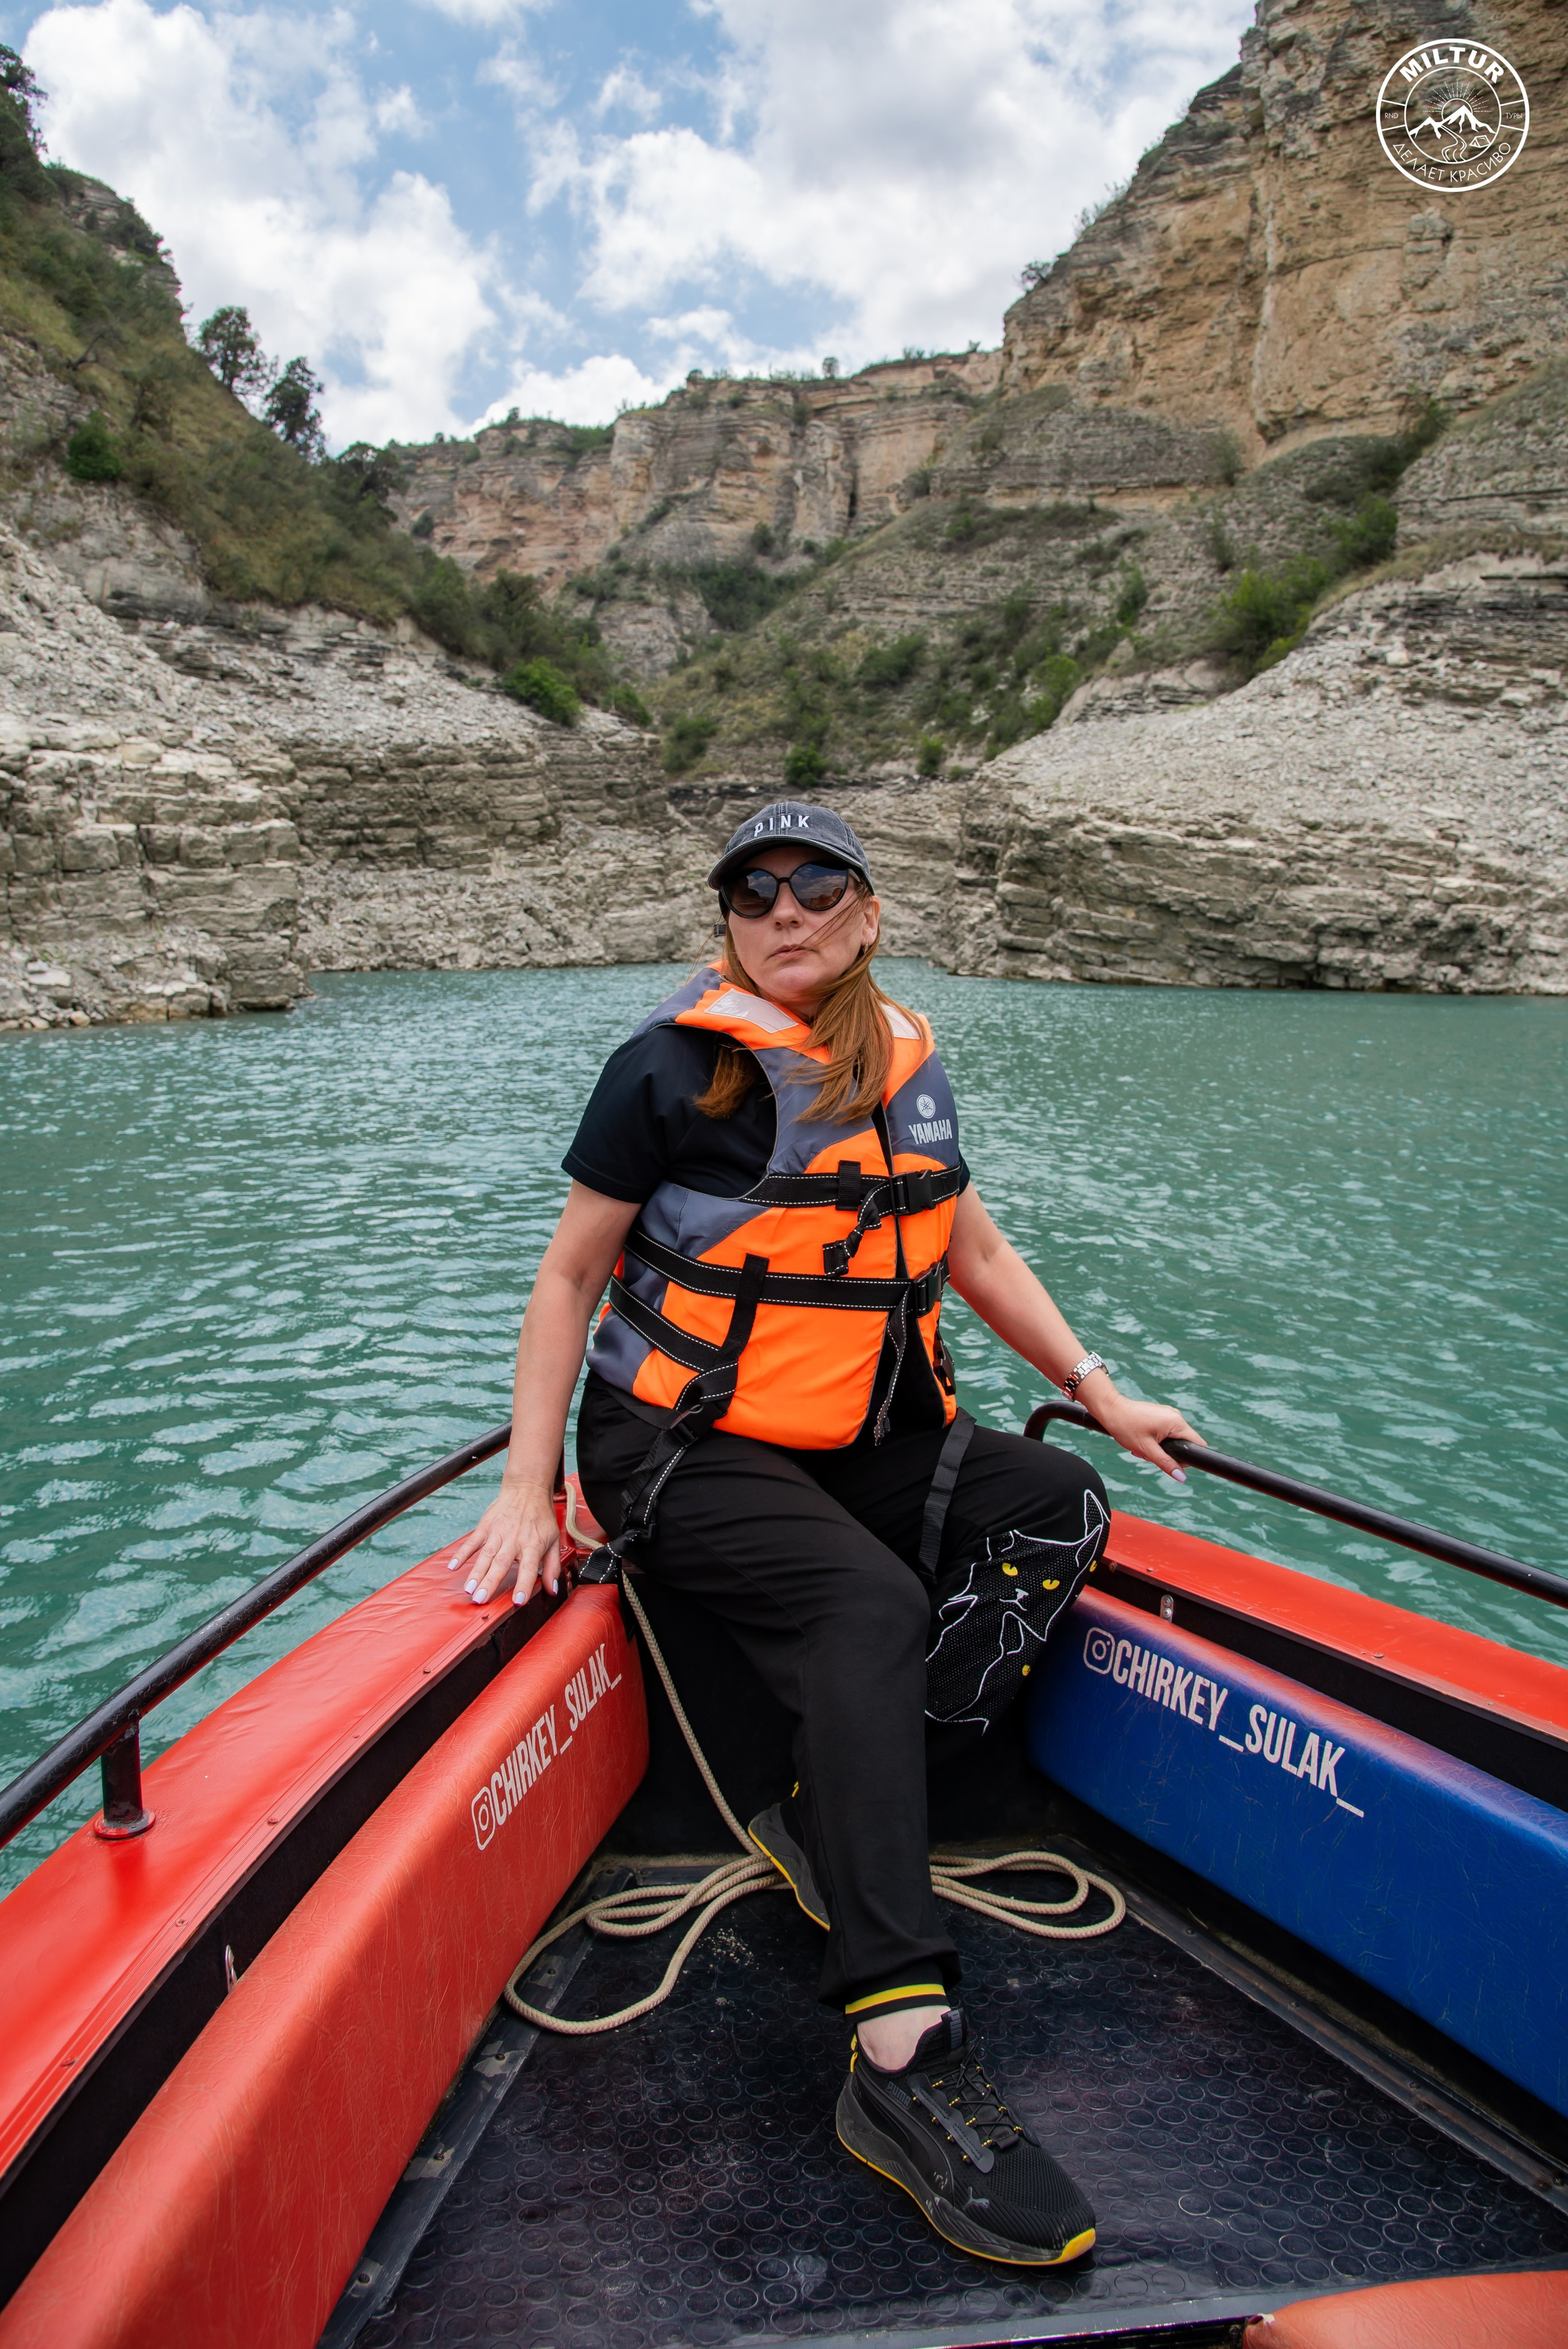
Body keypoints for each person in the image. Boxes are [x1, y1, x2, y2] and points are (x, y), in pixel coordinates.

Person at [448, 799, 1202, 2269]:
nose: (782, 912)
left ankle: (838, 1804)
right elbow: (565, 1281)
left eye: (814, 887)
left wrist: (1096, 1394)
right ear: (726, 920)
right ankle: (899, 2050)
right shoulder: (669, 1073)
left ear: (866, 911)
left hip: (863, 1440)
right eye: (752, 892)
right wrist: (525, 1486)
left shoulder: (908, 1065)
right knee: (862, 1604)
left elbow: (968, 1247)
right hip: (683, 1449)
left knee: (1053, 1511)